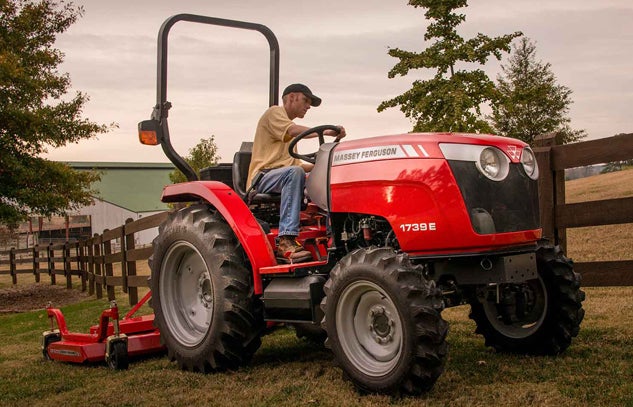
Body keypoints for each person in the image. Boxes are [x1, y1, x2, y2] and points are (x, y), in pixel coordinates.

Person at [247, 83, 346, 263]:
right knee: (294, 174)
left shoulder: (287, 135)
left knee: (324, 175)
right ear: (292, 97)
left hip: (283, 175)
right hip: (262, 177)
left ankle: (337, 235)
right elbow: (293, 132)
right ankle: (286, 239)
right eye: (305, 100)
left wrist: (323, 162)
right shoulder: (274, 113)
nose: (308, 106)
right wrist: (326, 132)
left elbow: (298, 166)